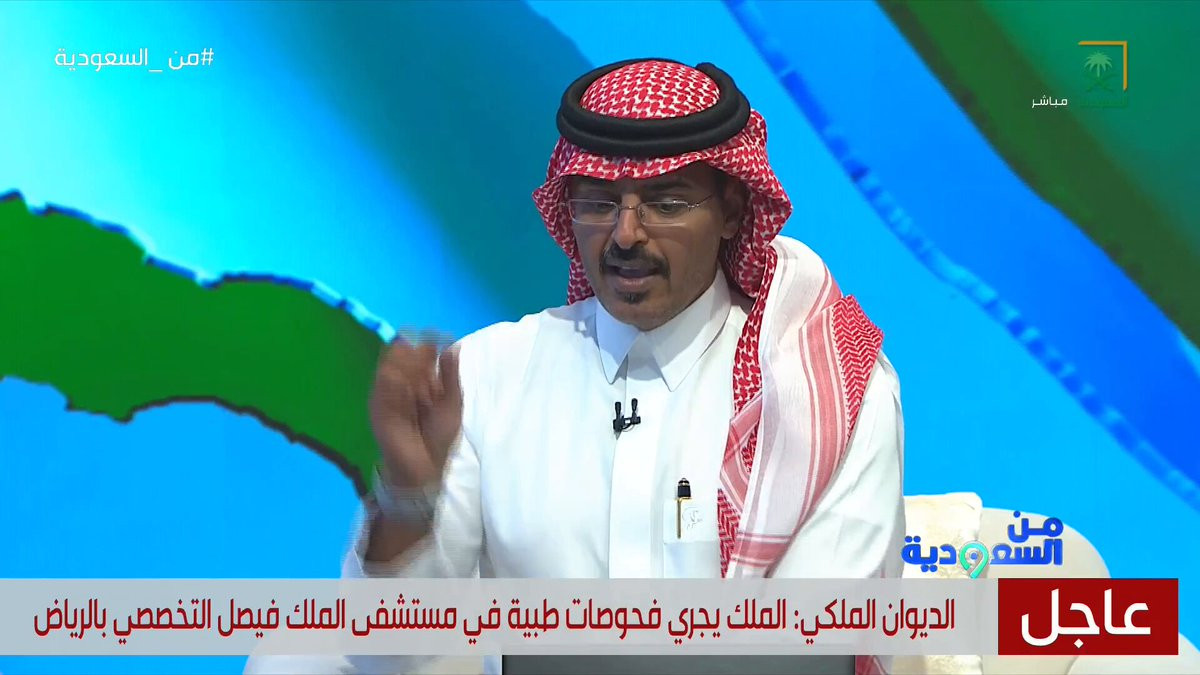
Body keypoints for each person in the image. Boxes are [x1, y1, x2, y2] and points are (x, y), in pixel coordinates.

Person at [250, 58, 904, 675]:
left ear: (732, 210)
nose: (626, 234)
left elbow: (818, 648)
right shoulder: (488, 374)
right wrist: (408, 496)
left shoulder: (825, 392)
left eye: (666, 203)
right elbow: (387, 652)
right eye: (598, 202)